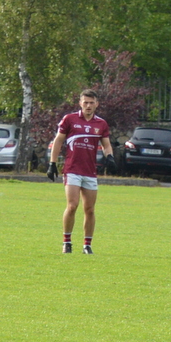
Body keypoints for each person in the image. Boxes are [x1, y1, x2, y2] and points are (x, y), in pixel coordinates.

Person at [47, 89, 116, 254]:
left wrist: (110, 156)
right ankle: (67, 242)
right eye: (85, 102)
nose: (88, 106)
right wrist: (52, 163)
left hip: (90, 171)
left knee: (90, 209)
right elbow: (58, 141)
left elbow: (106, 144)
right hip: (72, 170)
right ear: (80, 103)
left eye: (92, 103)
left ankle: (87, 245)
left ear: (97, 104)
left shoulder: (101, 124)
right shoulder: (69, 119)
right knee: (72, 206)